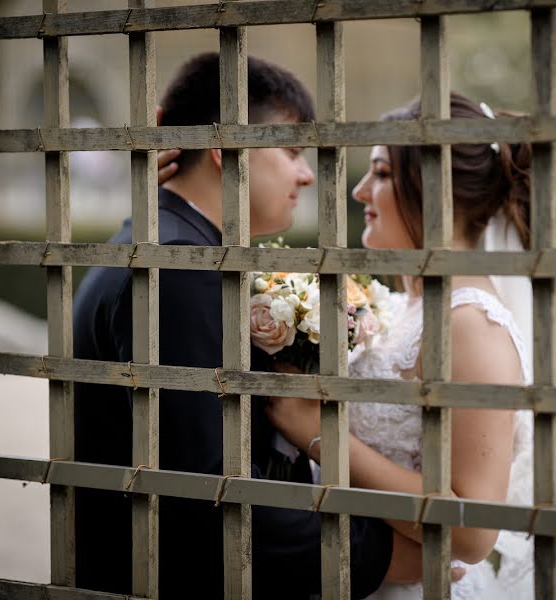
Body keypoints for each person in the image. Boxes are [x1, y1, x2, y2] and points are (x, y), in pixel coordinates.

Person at [73, 52, 440, 599]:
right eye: (292, 150)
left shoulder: (166, 248)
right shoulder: (177, 268)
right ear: (227, 148)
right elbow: (211, 491)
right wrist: (378, 555)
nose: (307, 173)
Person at [264, 92, 556, 599]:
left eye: (379, 174)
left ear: (435, 188)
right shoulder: (403, 308)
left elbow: (470, 531)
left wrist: (316, 431)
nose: (358, 192)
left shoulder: (470, 325)